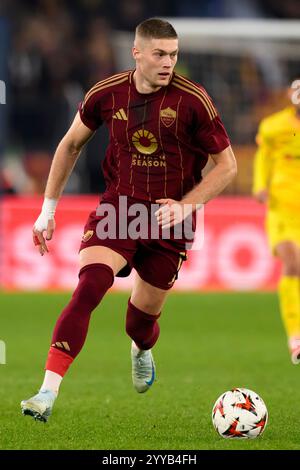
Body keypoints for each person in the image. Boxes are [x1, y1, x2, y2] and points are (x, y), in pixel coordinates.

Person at [21, 18, 237, 422]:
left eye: (173, 54)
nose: (168, 62)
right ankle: (46, 393)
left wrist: (187, 206)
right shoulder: (106, 93)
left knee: (139, 323)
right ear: (136, 53)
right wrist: (46, 211)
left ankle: (141, 348)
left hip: (171, 220)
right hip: (120, 209)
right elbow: (70, 145)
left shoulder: (193, 100)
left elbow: (227, 166)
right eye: (159, 54)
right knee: (89, 289)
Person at [253, 77, 300, 364]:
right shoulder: (273, 126)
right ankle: (295, 334)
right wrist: (260, 184)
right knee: (293, 262)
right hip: (281, 208)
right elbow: (264, 156)